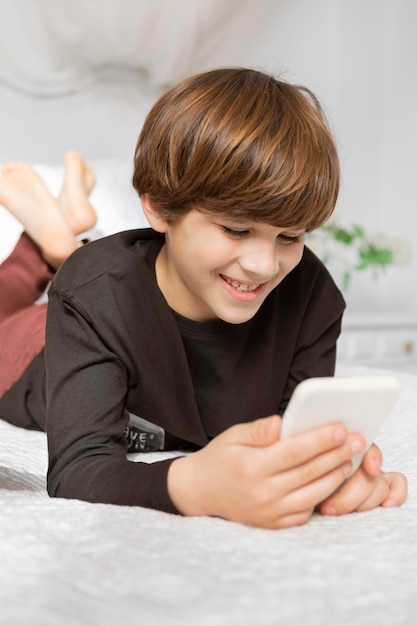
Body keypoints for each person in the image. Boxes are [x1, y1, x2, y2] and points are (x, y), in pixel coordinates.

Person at [0, 68, 407, 529]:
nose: (263, 265)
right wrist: (193, 485)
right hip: (31, 350)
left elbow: (282, 444)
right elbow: (79, 468)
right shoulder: (93, 298)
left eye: (289, 237)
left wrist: (330, 474)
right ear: (155, 206)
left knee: (89, 272)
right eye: (235, 229)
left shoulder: (311, 295)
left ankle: (64, 234)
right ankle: (50, 243)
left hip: (99, 283)